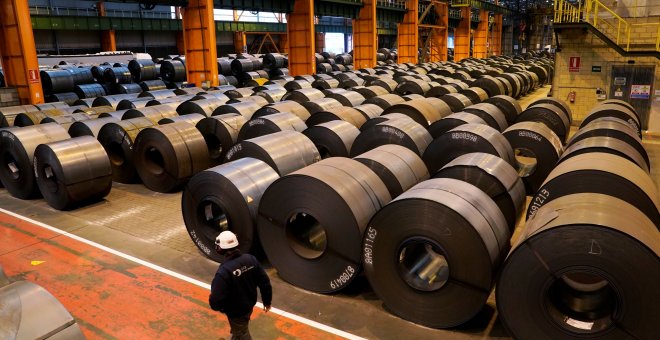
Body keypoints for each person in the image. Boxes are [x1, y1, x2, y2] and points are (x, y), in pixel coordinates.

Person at [209, 231, 272, 340]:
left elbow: (215, 300)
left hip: (235, 312)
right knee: (240, 329)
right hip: (249, 305)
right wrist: (267, 301)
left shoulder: (224, 272)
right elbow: (264, 283)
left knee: (241, 333)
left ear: (221, 249)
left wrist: (222, 308)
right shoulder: (251, 259)